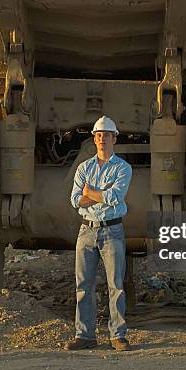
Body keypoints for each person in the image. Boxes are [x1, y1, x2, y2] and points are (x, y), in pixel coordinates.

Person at [64, 115, 133, 351]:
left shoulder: (123, 167)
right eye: (98, 135)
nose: (102, 139)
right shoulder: (84, 167)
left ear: (115, 138)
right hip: (87, 231)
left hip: (112, 230)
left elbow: (115, 197)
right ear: (94, 139)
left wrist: (90, 193)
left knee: (116, 286)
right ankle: (85, 336)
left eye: (107, 135)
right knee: (83, 285)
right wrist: (99, 195)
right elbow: (75, 200)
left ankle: (117, 335)